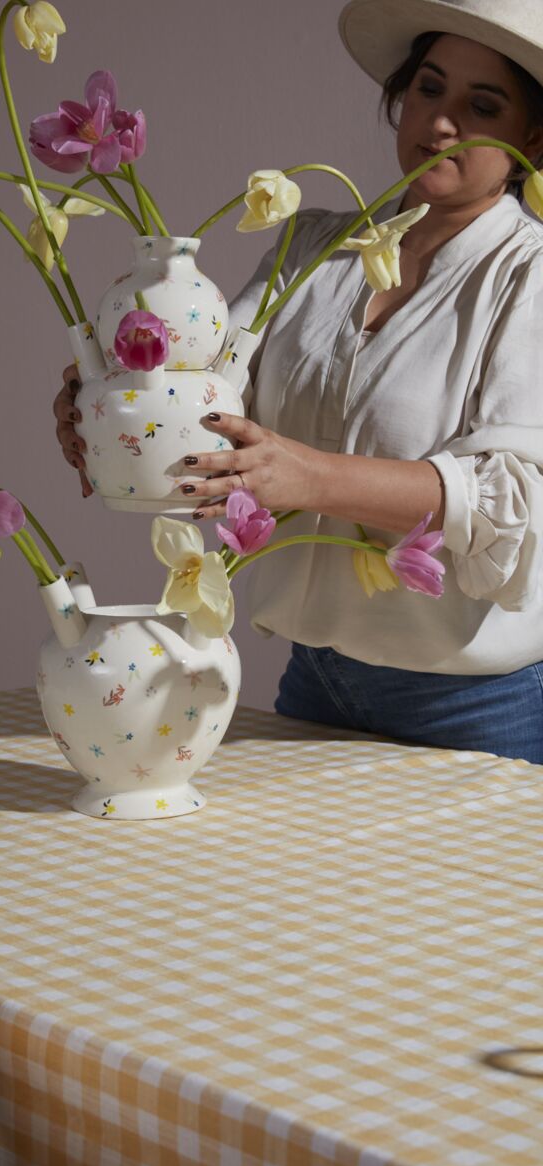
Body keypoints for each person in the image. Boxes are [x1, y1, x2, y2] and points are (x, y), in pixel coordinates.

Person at [53, 0, 543, 763]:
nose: (442, 123)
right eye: (428, 90)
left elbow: (511, 496)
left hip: (474, 706)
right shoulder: (310, 247)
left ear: (533, 138)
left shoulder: (529, 276)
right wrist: (118, 412)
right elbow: (207, 394)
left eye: (482, 107)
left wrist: (306, 476)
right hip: (311, 685)